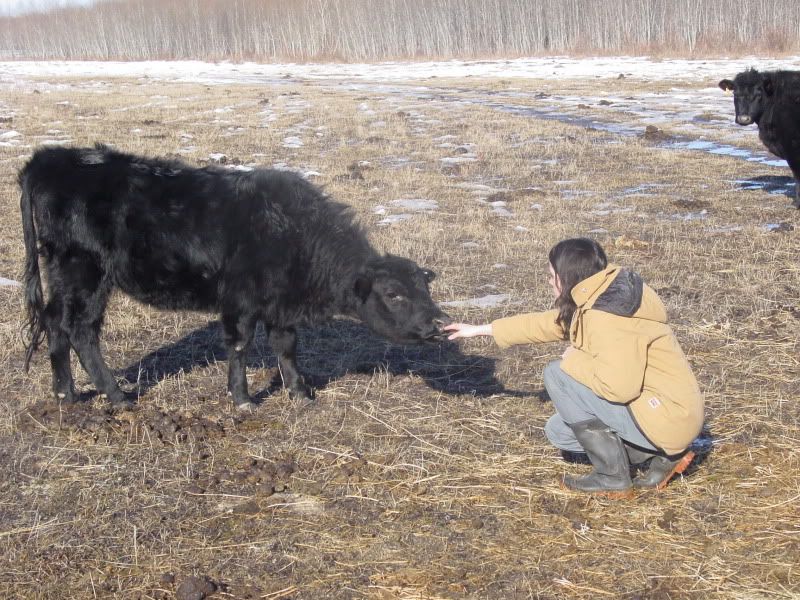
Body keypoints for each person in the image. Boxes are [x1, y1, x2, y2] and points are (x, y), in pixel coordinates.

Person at [445, 238, 703, 498]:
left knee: (557, 374)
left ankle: (612, 478)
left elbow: (619, 388)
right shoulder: (604, 294)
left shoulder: (607, 317)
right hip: (673, 414)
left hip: (667, 416)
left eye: (551, 275)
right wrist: (481, 330)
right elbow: (552, 324)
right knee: (560, 432)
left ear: (566, 277)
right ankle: (664, 454)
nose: (548, 281)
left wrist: (573, 360)